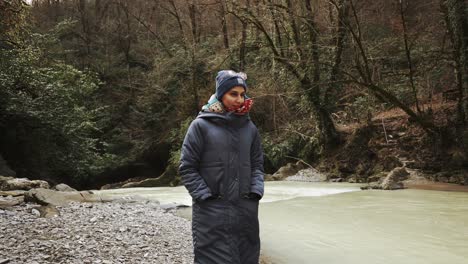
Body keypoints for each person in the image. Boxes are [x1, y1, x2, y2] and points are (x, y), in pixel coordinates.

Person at [179, 70, 264, 264]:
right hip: (212, 214)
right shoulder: (200, 126)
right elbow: (187, 167)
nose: (239, 99)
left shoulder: (249, 128)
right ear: (220, 94)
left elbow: (258, 165)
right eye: (233, 94)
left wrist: (255, 191)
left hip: (245, 213)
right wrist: (205, 197)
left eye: (242, 94)